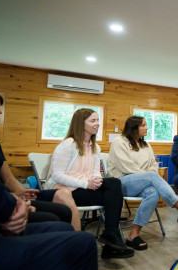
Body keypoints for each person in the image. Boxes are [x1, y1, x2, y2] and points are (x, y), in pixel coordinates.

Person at [0, 87, 80, 229]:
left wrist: (21, 193)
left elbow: (9, 179)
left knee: (64, 210)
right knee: (52, 218)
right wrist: (13, 199)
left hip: (7, 193)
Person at [46, 108, 133, 259]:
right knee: (113, 193)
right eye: (93, 121)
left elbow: (94, 171)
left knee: (114, 184)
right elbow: (57, 175)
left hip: (84, 188)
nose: (97, 123)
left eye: (98, 120)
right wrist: (86, 184)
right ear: (81, 124)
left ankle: (110, 236)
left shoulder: (95, 147)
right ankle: (110, 239)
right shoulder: (68, 144)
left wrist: (96, 179)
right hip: (65, 191)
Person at [107, 116, 178, 250]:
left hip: (143, 182)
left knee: (153, 193)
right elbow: (126, 167)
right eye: (143, 125)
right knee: (152, 177)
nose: (147, 127)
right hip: (121, 183)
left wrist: (148, 174)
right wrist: (147, 175)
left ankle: (133, 235)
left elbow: (154, 164)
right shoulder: (119, 142)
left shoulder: (145, 144)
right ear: (134, 127)